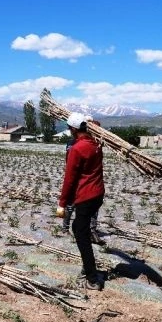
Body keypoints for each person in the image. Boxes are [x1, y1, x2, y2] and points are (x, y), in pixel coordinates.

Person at [56, 112, 105, 290]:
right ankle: (88, 267)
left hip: (86, 195)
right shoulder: (95, 143)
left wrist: (62, 203)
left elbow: (69, 179)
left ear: (73, 129)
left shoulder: (77, 148)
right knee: (79, 228)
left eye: (69, 128)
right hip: (98, 194)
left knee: (80, 233)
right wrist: (91, 123)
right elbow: (97, 126)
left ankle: (92, 278)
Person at [62, 116, 104, 246]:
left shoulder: (95, 143)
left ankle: (91, 231)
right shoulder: (72, 144)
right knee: (70, 206)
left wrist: (91, 124)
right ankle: (65, 228)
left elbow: (97, 125)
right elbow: (69, 164)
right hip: (77, 180)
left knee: (90, 212)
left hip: (87, 183)